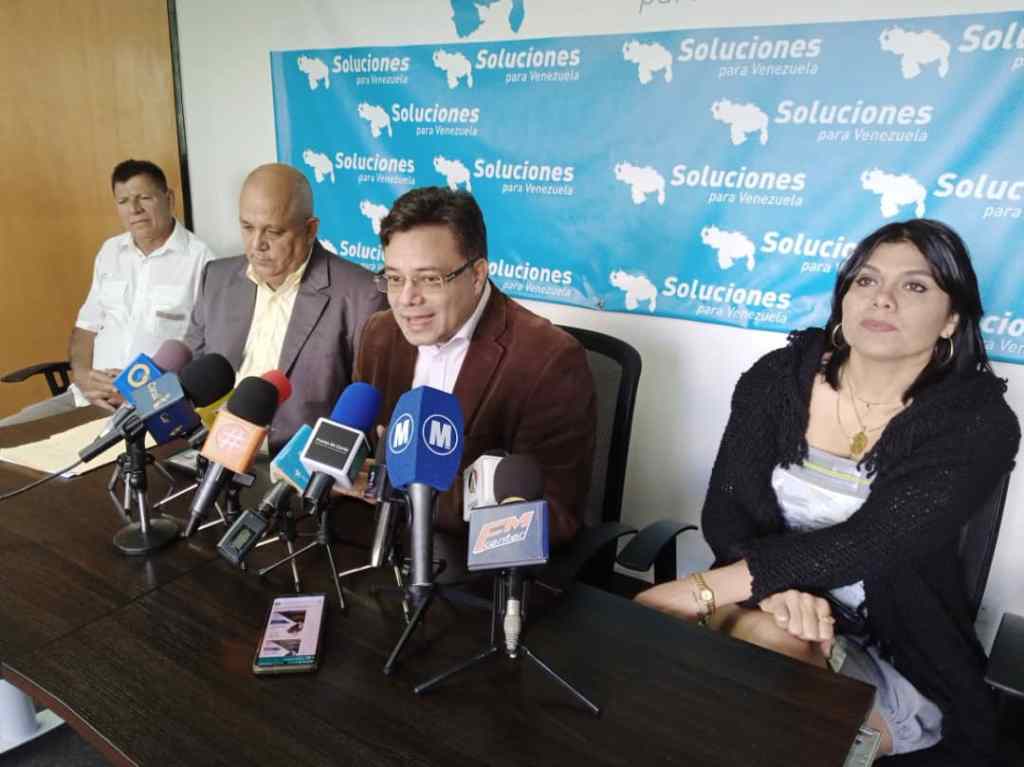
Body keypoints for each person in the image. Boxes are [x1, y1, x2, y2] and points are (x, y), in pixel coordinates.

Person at [635, 219, 1019, 765]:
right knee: (761, 652)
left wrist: (700, 591)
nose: (882, 298)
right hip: (763, 604)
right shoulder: (778, 378)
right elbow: (726, 513)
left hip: (892, 646)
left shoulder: (978, 423)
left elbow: (870, 543)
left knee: (761, 667)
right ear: (844, 297)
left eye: (914, 286)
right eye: (866, 280)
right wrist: (776, 592)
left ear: (952, 318)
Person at [352, 186, 595, 552]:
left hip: (478, 566)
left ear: (477, 274)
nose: (406, 299)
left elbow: (553, 515)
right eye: (395, 278)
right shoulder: (380, 333)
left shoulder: (549, 360)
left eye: (429, 279)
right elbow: (364, 448)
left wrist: (395, 489)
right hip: (381, 546)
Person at [184, 163, 386, 452]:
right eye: (247, 227)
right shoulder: (216, 278)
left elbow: (366, 410)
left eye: (274, 232)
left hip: (298, 467)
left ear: (310, 230)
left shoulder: (361, 295)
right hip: (210, 453)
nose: (257, 244)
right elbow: (190, 370)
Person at [0, 159, 215, 426]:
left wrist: (140, 391)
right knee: (7, 432)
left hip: (148, 407)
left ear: (168, 198)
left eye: (144, 198)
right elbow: (85, 329)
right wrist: (82, 376)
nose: (134, 209)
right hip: (86, 398)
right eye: (123, 201)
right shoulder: (110, 252)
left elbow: (205, 352)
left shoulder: (202, 260)